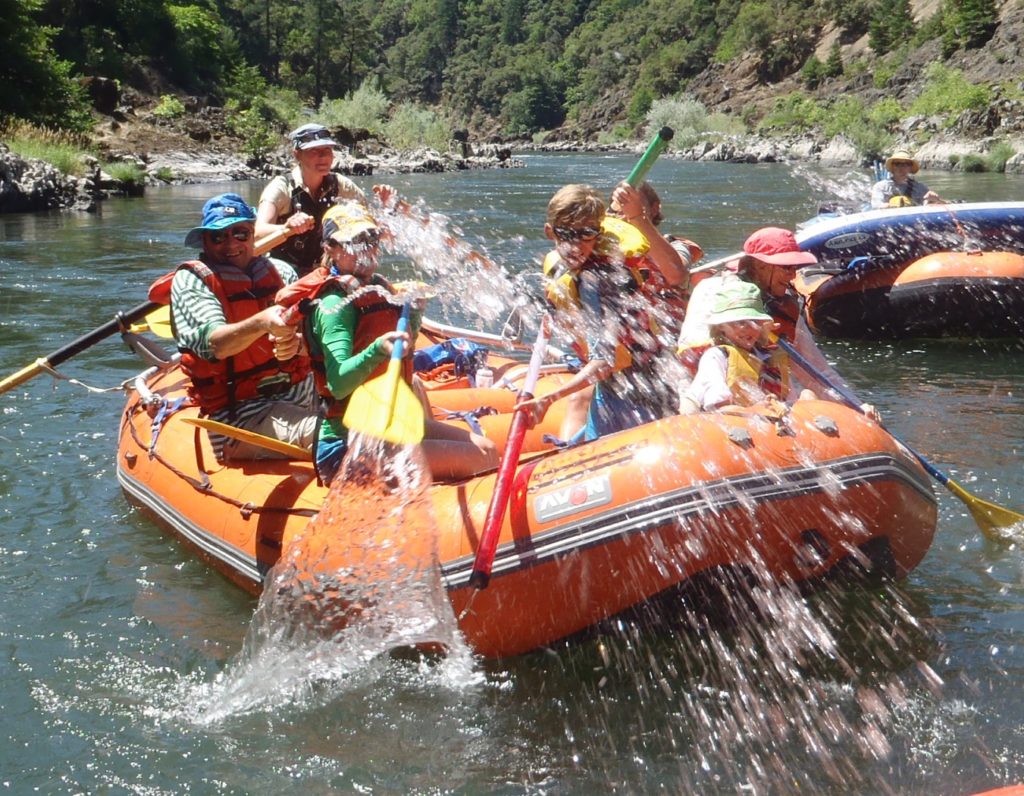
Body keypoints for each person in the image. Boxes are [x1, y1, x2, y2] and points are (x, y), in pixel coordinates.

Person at [276, 202, 498, 485]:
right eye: (354, 241)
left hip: (387, 424)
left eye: (371, 239)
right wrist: (376, 350)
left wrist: (415, 314)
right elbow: (338, 383)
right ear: (330, 248)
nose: (365, 249)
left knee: (488, 450)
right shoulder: (335, 304)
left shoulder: (376, 288)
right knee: (483, 458)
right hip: (348, 444)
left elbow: (404, 348)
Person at [170, 193, 319, 461]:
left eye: (240, 233)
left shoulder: (281, 272)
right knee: (340, 434)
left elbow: (314, 337)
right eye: (218, 236)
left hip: (302, 395)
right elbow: (215, 344)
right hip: (240, 415)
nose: (231, 244)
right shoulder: (192, 281)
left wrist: (301, 344)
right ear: (205, 240)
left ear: (252, 234)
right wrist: (261, 322)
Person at [520, 184, 676, 440]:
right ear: (550, 232)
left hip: (641, 391)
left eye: (587, 234)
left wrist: (549, 399)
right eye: (566, 233)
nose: (576, 245)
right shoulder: (561, 269)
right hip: (611, 389)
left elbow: (603, 362)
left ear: (598, 233)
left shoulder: (598, 281)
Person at [677, 226, 816, 349]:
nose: (793, 276)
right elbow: (691, 344)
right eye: (787, 267)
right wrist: (748, 335)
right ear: (759, 264)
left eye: (795, 267)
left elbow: (819, 366)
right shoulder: (713, 289)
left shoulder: (787, 307)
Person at [679, 281, 806, 414]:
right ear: (721, 326)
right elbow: (719, 410)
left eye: (755, 322)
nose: (749, 329)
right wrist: (754, 411)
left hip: (768, 425)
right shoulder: (716, 356)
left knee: (807, 395)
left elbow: (790, 402)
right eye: (740, 323)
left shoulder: (769, 357)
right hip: (731, 426)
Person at [255, 123, 366, 276]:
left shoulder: (340, 184)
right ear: (297, 154)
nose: (323, 156)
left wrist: (389, 205)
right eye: (314, 150)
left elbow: (370, 219)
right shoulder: (282, 187)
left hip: (326, 269)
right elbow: (257, 232)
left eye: (327, 150)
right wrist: (287, 227)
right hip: (287, 272)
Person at [610, 181, 702, 339]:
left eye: (634, 204)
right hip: (621, 342)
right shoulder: (607, 250)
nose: (625, 213)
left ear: (654, 208)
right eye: (621, 207)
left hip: (667, 340)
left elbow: (675, 275)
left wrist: (637, 217)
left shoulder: (677, 246)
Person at [870, 150, 943, 209]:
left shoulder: (920, 188)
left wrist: (935, 200)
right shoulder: (880, 187)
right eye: (897, 164)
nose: (902, 167)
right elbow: (876, 205)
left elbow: (927, 206)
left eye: (906, 164)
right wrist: (891, 205)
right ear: (892, 167)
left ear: (910, 167)